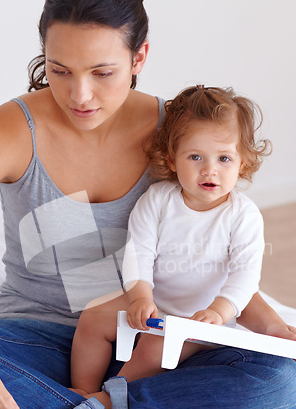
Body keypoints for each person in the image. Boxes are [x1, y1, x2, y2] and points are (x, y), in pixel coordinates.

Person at [0, 0, 296, 409]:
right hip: (45, 342)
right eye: (60, 70)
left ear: (139, 58)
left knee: (278, 384)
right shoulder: (12, 130)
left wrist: (270, 325)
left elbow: (208, 250)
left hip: (153, 340)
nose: (79, 95)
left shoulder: (178, 136)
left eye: (102, 72)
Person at [71, 85, 276, 393]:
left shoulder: (242, 215)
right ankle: (81, 390)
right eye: (195, 156)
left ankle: (106, 401)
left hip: (202, 318)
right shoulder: (157, 200)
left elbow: (245, 275)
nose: (210, 170)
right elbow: (139, 253)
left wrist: (218, 312)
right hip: (154, 301)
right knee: (91, 319)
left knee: (154, 349)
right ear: (171, 160)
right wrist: (140, 297)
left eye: (224, 158)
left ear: (242, 163)